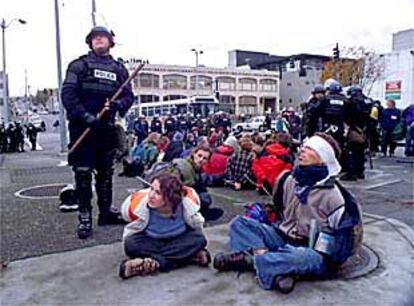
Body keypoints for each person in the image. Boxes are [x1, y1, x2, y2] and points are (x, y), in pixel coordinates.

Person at [213, 133, 362, 293]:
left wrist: (326, 256)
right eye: (304, 146)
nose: (302, 151)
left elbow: (341, 242)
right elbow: (279, 210)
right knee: (239, 224)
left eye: (310, 148)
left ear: (323, 158)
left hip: (310, 249)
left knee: (304, 258)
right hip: (283, 237)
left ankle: (252, 261)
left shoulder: (333, 195)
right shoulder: (289, 180)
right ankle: (279, 269)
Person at [61, 26, 134, 239]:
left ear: (110, 41)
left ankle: (105, 213)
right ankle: (84, 216)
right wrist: (84, 116)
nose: (99, 39)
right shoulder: (79, 65)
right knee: (83, 173)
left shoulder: (120, 69)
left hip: (106, 128)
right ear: (90, 42)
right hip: (82, 128)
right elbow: (68, 94)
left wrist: (117, 105)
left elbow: (129, 96)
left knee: (105, 173)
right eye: (95, 37)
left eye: (103, 37)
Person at [119, 173, 210, 279]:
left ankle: (150, 263)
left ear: (170, 197)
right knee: (131, 244)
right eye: (151, 189)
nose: (151, 195)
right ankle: (187, 257)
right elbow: (128, 217)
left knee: (199, 239)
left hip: (178, 239)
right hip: (152, 241)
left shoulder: (186, 205)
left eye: (158, 193)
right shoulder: (141, 205)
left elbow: (197, 225)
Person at [172, 144, 224, 221]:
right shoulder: (185, 167)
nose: (201, 160)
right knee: (204, 197)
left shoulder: (196, 169)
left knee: (204, 194)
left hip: (183, 198)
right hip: (176, 199)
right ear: (194, 154)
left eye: (204, 158)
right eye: (199, 156)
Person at [341, 85, 371, 181]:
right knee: (360, 152)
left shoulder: (352, 103)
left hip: (355, 129)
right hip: (365, 130)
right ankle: (360, 172)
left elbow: (346, 115)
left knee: (352, 151)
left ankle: (352, 173)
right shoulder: (368, 102)